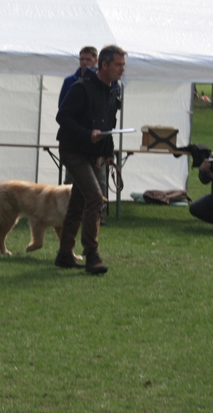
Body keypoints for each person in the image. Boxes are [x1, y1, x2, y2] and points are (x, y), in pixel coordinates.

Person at [55, 44, 126, 274]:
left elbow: (109, 124)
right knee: (95, 198)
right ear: (104, 65)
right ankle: (92, 255)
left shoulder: (114, 89)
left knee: (78, 204)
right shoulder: (81, 87)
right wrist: (87, 134)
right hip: (73, 151)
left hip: (96, 154)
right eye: (118, 64)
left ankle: (65, 254)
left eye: (123, 65)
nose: (122, 69)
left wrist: (109, 152)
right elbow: (62, 117)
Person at [59, 46, 109, 224]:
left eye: (88, 59)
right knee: (71, 181)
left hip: (96, 142)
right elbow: (63, 111)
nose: (84, 63)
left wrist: (108, 148)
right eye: (82, 59)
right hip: (75, 141)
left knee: (99, 181)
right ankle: (66, 212)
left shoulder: (104, 83)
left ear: (96, 61)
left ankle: (98, 215)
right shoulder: (70, 81)